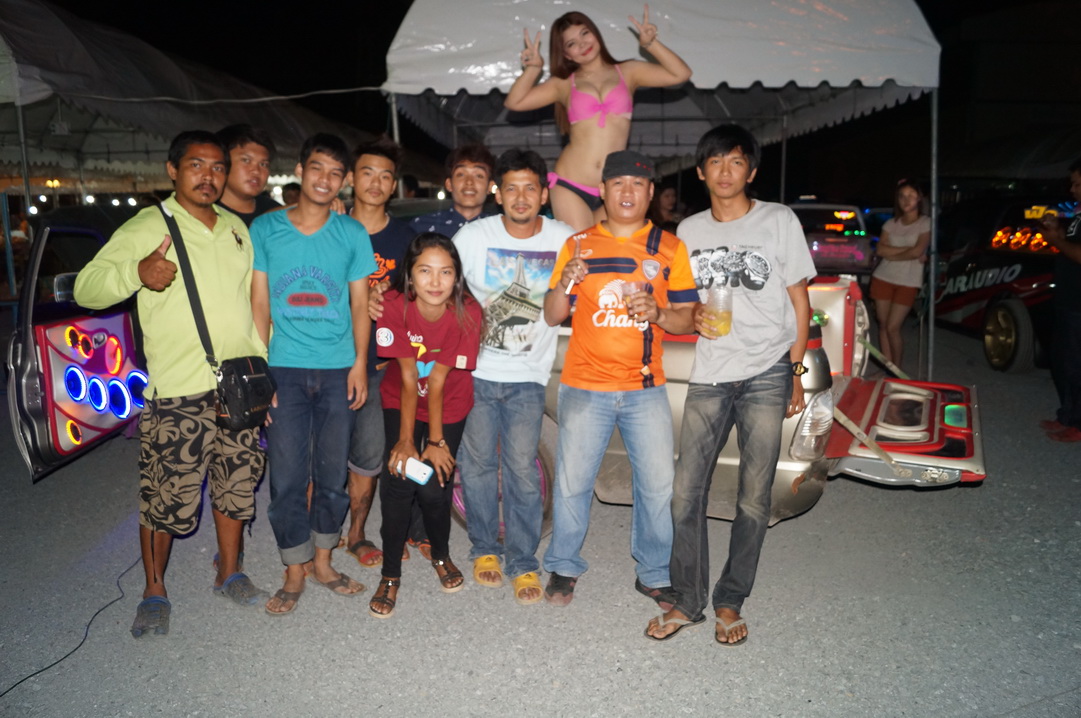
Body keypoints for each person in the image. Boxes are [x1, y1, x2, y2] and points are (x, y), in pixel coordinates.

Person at [74, 130, 269, 637]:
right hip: (178, 389)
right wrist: (137, 271)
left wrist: (262, 373)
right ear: (172, 170)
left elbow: (251, 306)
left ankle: (229, 572)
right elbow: (86, 289)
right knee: (164, 495)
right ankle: (154, 590)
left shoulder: (236, 228)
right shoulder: (148, 225)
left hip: (238, 384)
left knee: (236, 483)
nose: (209, 176)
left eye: (218, 167)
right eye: (196, 165)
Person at [644, 124, 815, 645]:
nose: (725, 171)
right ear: (701, 172)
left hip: (767, 370)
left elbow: (800, 302)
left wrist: (796, 372)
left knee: (754, 498)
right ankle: (688, 599)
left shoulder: (778, 220)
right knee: (684, 493)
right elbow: (682, 305)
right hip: (711, 371)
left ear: (751, 171)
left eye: (736, 161)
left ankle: (730, 599)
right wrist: (688, 316)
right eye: (715, 162)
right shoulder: (688, 231)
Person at [542, 149, 698, 606]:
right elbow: (551, 315)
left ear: (650, 193)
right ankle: (563, 565)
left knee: (658, 485)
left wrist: (661, 313)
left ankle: (654, 571)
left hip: (644, 388)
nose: (627, 192)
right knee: (572, 483)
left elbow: (689, 317)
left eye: (637, 184)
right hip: (584, 385)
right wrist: (565, 282)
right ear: (603, 191)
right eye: (618, 183)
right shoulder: (578, 244)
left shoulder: (670, 248)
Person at [250, 133, 376, 615]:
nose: (325, 179)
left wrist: (359, 363)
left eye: (335, 173)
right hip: (282, 368)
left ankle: (323, 562)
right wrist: (260, 372)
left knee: (331, 475)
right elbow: (259, 302)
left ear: (343, 182)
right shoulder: (266, 229)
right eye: (317, 168)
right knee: (285, 477)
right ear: (301, 171)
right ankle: (293, 569)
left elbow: (360, 303)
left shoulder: (352, 234)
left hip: (337, 370)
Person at [454, 149, 572, 604]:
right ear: (497, 194)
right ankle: (484, 548)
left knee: (522, 469)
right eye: (511, 188)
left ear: (543, 194)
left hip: (528, 375)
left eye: (530, 188)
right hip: (476, 372)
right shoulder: (473, 236)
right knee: (477, 465)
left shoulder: (564, 239)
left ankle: (523, 561)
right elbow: (440, 288)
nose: (520, 197)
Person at [368, 233, 483, 618]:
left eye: (445, 272)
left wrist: (435, 442)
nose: (435, 282)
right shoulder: (393, 304)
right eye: (425, 271)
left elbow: (436, 380)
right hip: (400, 399)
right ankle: (390, 574)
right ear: (410, 275)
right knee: (399, 481)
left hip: (448, 403)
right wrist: (405, 442)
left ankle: (441, 555)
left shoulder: (468, 312)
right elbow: (406, 377)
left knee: (434, 487)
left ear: (457, 276)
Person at [505, 5, 691, 232]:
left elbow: (681, 73)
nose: (582, 44)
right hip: (571, 183)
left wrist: (651, 44)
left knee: (611, 248)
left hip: (612, 183)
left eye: (585, 33)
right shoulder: (563, 84)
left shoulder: (629, 71)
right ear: (566, 54)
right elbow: (515, 102)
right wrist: (533, 70)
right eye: (572, 43)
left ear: (596, 33)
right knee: (583, 248)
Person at [342, 138, 417, 568]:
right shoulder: (330, 229)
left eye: (385, 176)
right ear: (351, 179)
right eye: (367, 172)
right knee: (318, 457)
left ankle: (356, 534)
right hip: (327, 361)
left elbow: (421, 300)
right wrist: (356, 297)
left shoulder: (406, 239)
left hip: (379, 367)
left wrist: (389, 297)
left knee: (368, 457)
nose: (376, 182)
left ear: (393, 185)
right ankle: (315, 538)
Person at [1039, 158, 1081, 442]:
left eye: (1077, 184)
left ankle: (1077, 424)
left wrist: (1056, 241)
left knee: (1076, 365)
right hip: (1068, 299)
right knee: (1063, 361)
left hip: (1079, 305)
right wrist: (1057, 231)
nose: (1072, 189)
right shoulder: (1079, 214)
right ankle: (1066, 415)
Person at [869, 179, 931, 369]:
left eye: (911, 195)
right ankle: (887, 368)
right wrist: (908, 251)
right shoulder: (891, 223)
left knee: (893, 327)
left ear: (919, 198)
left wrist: (894, 253)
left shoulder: (925, 222)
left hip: (908, 280)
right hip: (883, 277)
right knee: (882, 325)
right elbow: (880, 250)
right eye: (902, 196)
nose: (906, 200)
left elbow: (917, 251)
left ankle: (897, 368)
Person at [410, 144, 495, 234]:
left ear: (490, 186)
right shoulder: (420, 227)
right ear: (449, 184)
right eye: (461, 174)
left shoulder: (498, 230)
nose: (469, 182)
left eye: (479, 176)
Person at [216, 124, 282, 226]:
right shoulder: (204, 213)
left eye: (263, 164)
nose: (256, 171)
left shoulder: (277, 215)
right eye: (246, 160)